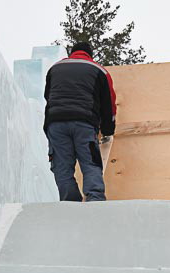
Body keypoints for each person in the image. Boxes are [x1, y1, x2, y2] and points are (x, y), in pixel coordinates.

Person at [44, 41, 116, 201]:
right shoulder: (98, 70)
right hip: (84, 124)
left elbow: (47, 96)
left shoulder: (55, 68)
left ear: (72, 53)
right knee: (90, 162)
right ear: (90, 54)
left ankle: (70, 203)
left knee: (61, 166)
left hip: (56, 124)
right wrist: (108, 129)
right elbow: (108, 104)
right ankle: (95, 198)